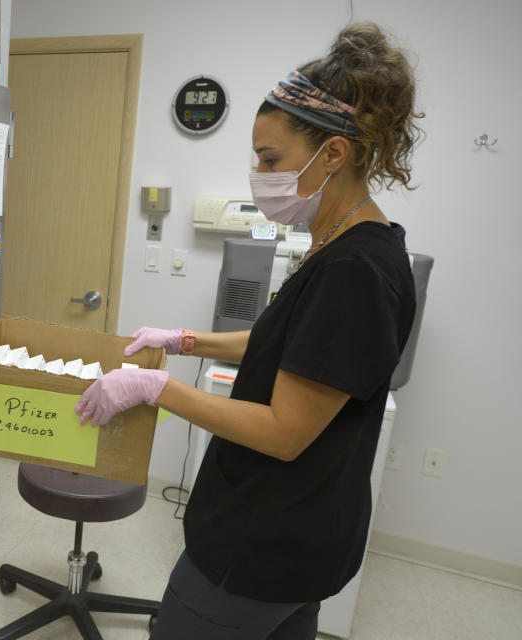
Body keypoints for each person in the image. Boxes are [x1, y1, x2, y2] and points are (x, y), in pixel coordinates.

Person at [75, 23, 421, 639]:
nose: (259, 175)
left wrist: (158, 391)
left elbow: (286, 432)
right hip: (304, 542)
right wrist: (186, 340)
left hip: (259, 547)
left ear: (333, 154)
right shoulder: (349, 243)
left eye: (270, 160)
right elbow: (289, 348)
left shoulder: (354, 270)